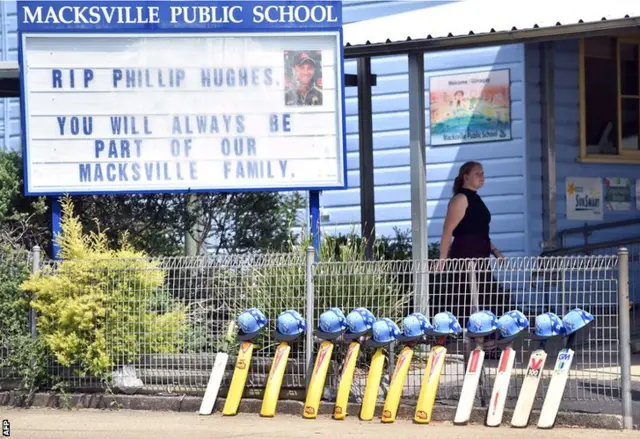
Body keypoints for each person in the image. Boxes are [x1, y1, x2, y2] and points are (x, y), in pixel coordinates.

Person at [433, 161, 511, 327]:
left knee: (487, 297)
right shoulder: (461, 198)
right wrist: (442, 257)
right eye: (477, 174)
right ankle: (468, 341)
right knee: (468, 297)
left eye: (483, 173)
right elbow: (448, 229)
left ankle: (488, 343)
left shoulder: (476, 199)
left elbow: (479, 230)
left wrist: (495, 251)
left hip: (481, 254)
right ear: (465, 176)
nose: (482, 177)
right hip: (466, 253)